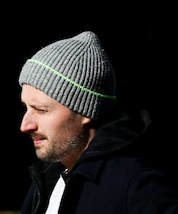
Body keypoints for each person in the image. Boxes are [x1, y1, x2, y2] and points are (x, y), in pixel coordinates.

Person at [18, 30, 178, 213]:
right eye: (26, 107)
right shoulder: (47, 178)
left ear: (86, 111)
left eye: (41, 110)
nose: (25, 125)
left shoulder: (135, 184)